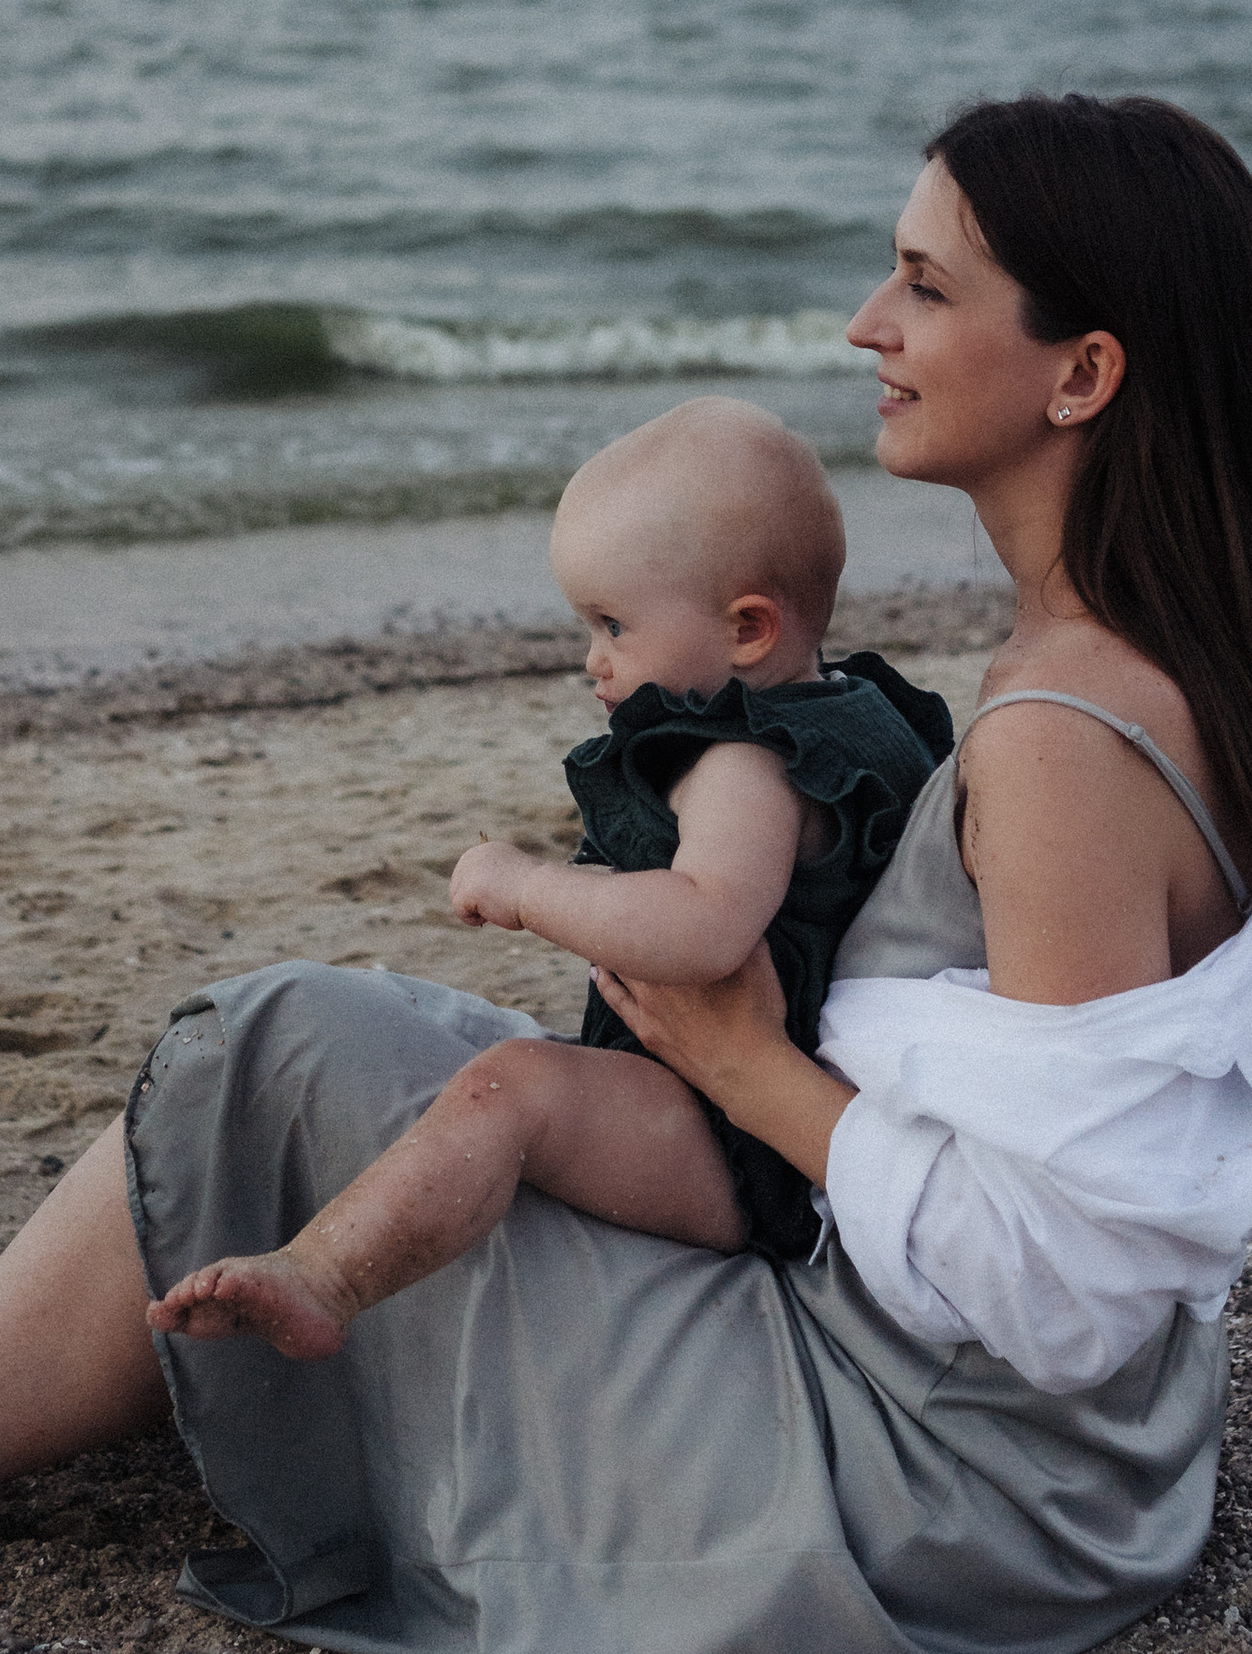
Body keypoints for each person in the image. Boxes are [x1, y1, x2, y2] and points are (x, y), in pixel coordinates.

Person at [0, 93, 1252, 1654]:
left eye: (927, 288)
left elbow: (1057, 1288)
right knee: (336, 1041)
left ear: (1083, 373)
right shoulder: (1169, 662)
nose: (866, 327)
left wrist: (736, 1068)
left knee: (279, 1051)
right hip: (1041, 1440)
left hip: (942, 1483)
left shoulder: (1060, 740)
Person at [144, 396, 949, 1357]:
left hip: (746, 1141)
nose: (592, 660)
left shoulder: (746, 765)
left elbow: (703, 926)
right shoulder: (856, 710)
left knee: (511, 1090)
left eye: (613, 625)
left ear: (746, 630)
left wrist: (527, 889)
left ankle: (325, 1277)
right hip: (790, 1111)